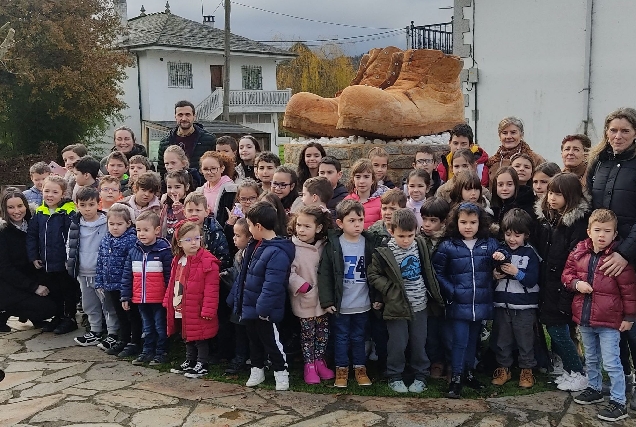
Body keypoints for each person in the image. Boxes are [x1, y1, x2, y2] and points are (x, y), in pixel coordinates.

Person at [565, 209, 636, 422]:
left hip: (610, 322)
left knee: (612, 362)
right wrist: (576, 283)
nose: (601, 235)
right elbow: (567, 274)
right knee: (592, 358)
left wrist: (629, 317)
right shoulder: (579, 252)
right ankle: (594, 388)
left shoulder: (618, 261)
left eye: (607, 231)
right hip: (585, 318)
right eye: (597, 230)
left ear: (615, 235)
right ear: (589, 231)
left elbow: (629, 290)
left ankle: (618, 401)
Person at [587, 109, 636, 397]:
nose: (617, 136)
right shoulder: (599, 162)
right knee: (612, 322)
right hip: (603, 254)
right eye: (613, 130)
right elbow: (592, 209)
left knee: (632, 323)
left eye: (625, 131)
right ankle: (623, 381)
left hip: (629, 255)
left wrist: (625, 254)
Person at [369, 208, 443, 393]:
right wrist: (388, 290)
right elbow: (373, 274)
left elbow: (427, 270)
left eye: (410, 235)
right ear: (391, 231)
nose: (406, 240)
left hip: (420, 305)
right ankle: (394, 375)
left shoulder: (420, 245)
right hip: (396, 306)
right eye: (401, 236)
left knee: (419, 343)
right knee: (397, 344)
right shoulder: (384, 252)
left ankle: (420, 375)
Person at [432, 202, 498, 399]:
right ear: (456, 223)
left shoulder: (488, 244)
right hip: (458, 303)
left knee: (472, 341)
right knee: (459, 341)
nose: (468, 226)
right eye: (463, 222)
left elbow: (502, 260)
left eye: (472, 222)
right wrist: (452, 291)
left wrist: (500, 265)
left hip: (480, 303)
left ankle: (469, 373)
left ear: (480, 223)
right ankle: (456, 377)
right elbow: (437, 272)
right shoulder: (448, 245)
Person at [227, 201, 295, 391]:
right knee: (253, 340)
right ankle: (257, 369)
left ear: (258, 226)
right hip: (250, 305)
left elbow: (272, 285)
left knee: (271, 342)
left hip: (264, 310)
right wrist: (237, 298)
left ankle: (281, 372)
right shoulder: (254, 246)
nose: (248, 229)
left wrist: (263, 309)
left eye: (249, 225)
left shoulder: (277, 252)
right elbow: (244, 276)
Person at [534, 172, 590, 392]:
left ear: (571, 195)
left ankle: (578, 371)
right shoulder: (548, 218)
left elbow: (576, 258)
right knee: (558, 328)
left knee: (558, 329)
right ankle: (570, 370)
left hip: (565, 285)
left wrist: (566, 285)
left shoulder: (577, 223)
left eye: (558, 194)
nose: (552, 198)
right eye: (550, 192)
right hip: (548, 283)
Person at [318, 199, 375, 388]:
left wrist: (377, 298)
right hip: (341, 304)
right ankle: (341, 369)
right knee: (341, 337)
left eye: (360, 220)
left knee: (359, 337)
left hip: (363, 303)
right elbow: (324, 273)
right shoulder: (334, 245)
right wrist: (327, 301)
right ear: (340, 223)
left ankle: (360, 368)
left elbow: (377, 272)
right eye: (352, 221)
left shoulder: (369, 242)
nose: (357, 224)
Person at [490, 209, 540, 389]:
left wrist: (517, 273)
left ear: (526, 235)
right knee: (502, 338)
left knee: (525, 338)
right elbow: (494, 270)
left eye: (517, 235)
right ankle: (504, 368)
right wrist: (495, 273)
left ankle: (527, 369)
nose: (512, 239)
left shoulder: (530, 253)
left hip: (524, 306)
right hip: (502, 304)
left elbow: (532, 279)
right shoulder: (500, 249)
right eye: (508, 234)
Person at [164, 220, 220, 379]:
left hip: (198, 306)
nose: (193, 242)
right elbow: (173, 281)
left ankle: (202, 363)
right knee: (187, 333)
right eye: (188, 240)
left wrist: (208, 309)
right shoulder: (178, 260)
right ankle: (190, 360)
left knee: (200, 336)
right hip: (181, 304)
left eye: (197, 238)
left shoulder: (208, 262)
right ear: (180, 242)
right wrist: (168, 300)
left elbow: (212, 289)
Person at [26, 175, 78, 335]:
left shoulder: (68, 213)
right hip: (47, 262)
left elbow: (73, 238)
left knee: (67, 290)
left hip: (63, 262)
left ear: (63, 194)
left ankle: (69, 318)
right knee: (54, 291)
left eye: (55, 192)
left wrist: (70, 259)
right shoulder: (40, 213)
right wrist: (34, 256)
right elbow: (32, 235)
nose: (49, 195)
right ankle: (58, 316)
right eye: (46, 191)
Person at [288, 206, 335, 384]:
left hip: (322, 301)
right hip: (304, 300)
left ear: (319, 228)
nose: (301, 230)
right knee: (307, 335)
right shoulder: (292, 246)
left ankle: (319, 361)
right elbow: (289, 272)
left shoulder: (324, 245)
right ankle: (309, 365)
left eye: (307, 226)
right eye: (299, 225)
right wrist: (302, 285)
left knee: (322, 332)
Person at [66, 187, 117, 347]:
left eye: (91, 204)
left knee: (107, 305)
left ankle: (113, 332)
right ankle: (95, 331)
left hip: (101, 273)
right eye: (83, 205)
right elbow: (70, 246)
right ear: (77, 205)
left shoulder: (107, 223)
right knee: (89, 304)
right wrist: (70, 263)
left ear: (98, 203)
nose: (87, 209)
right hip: (83, 272)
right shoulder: (75, 224)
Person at [0, 189, 56, 332]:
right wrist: (33, 287)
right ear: (5, 209)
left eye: (20, 206)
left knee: (53, 305)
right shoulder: (3, 232)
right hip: (9, 282)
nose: (16, 211)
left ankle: (33, 315)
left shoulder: (34, 224)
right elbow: (5, 269)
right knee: (42, 306)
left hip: (32, 275)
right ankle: (4, 311)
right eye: (11, 207)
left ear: (26, 205)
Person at [121, 211, 173, 366]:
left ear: (156, 230)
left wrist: (168, 297)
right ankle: (147, 351)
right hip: (140, 298)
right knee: (147, 327)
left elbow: (169, 276)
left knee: (160, 327)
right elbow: (127, 275)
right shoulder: (134, 251)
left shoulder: (164, 251)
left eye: (145, 230)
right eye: (138, 230)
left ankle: (161, 352)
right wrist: (125, 296)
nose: (141, 234)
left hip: (158, 299)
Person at [95, 204, 142, 357]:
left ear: (128, 224)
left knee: (132, 314)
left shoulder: (131, 241)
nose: (115, 228)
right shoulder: (106, 240)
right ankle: (123, 339)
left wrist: (129, 286)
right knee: (120, 314)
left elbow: (133, 265)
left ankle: (134, 342)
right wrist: (99, 281)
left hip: (126, 286)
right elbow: (101, 261)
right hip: (111, 285)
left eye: (119, 224)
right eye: (112, 224)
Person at [419, 196, 451, 379]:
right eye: (425, 219)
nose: (428, 224)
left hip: (447, 293)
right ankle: (435, 362)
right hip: (427, 296)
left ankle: (450, 362)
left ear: (444, 221)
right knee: (431, 332)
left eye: (433, 220)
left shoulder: (449, 240)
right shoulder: (419, 240)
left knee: (448, 332)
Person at [157, 100, 217, 177]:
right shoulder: (165, 142)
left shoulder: (208, 139)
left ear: (194, 116)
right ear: (175, 117)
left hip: (201, 187)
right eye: (180, 115)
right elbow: (162, 170)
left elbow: (214, 165)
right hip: (174, 187)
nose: (184, 118)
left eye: (188, 114)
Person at [224, 218, 252, 375]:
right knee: (239, 332)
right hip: (237, 300)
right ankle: (239, 357)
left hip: (247, 300)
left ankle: (250, 359)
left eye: (237, 235)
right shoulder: (238, 256)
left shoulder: (252, 255)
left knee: (249, 332)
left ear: (249, 237)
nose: (234, 239)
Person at [344, 159, 388, 229]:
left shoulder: (382, 202)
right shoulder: (346, 201)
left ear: (372, 180)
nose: (362, 181)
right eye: (358, 177)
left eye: (366, 177)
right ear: (353, 179)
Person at [198, 151, 237, 226]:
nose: (209, 172)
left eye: (213, 168)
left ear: (222, 168)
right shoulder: (200, 190)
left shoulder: (230, 190)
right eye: (205, 169)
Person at [223, 179, 262, 253]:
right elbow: (228, 241)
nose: (248, 202)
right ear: (238, 198)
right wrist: (229, 224)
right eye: (243, 199)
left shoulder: (261, 215)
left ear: (258, 197)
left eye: (252, 198)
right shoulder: (235, 215)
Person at [160, 170, 192, 238]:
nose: (172, 191)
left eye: (177, 187)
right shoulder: (166, 204)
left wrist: (178, 209)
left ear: (186, 187)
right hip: (169, 243)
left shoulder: (190, 204)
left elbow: (188, 225)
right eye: (169, 187)